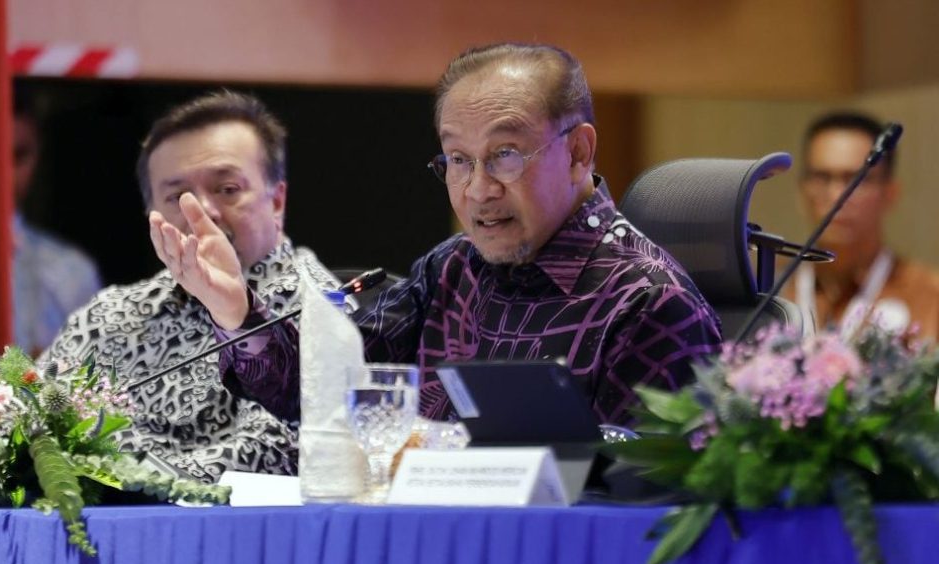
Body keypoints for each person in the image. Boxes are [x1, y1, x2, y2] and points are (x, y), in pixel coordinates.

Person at [172, 43, 722, 427]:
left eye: (505, 154)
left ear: (578, 152)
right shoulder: (452, 268)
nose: (478, 189)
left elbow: (645, 506)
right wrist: (234, 310)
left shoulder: (648, 304)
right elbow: (324, 390)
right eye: (458, 159)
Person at [44, 91, 344, 482]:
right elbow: (32, 417)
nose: (202, 212)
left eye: (227, 189)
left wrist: (124, 478)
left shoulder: (321, 306)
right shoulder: (109, 315)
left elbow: (278, 453)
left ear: (276, 201)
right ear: (151, 215)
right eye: (176, 197)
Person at [789, 111, 939, 342]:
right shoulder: (769, 292)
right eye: (822, 177)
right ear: (802, 191)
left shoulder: (930, 297)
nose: (837, 196)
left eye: (857, 179)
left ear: (890, 193)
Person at [12, 92, 103, 357]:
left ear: (37, 155)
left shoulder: (70, 271)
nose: (5, 172)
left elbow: (93, 368)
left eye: (18, 156)